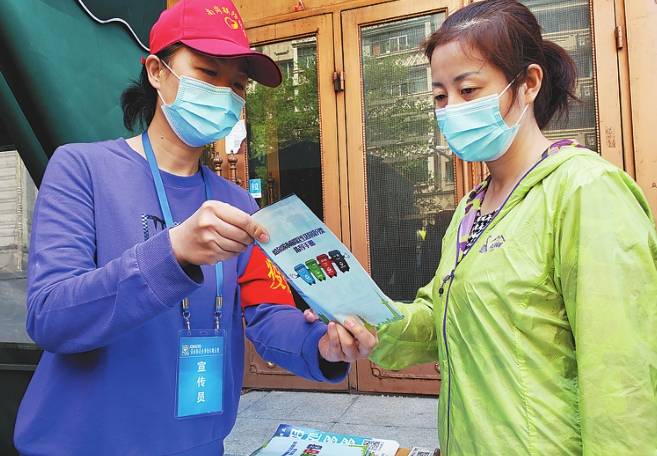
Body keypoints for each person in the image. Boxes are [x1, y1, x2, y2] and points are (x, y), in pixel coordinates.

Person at [13, 0, 377, 454]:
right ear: (156, 71)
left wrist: (322, 345)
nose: (224, 93)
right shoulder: (80, 169)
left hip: (197, 444)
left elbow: (267, 313)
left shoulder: (238, 203)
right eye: (208, 72)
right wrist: (173, 253)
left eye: (237, 84)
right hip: (82, 443)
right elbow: (50, 316)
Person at [367, 1, 657, 454]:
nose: (451, 109)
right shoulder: (469, 208)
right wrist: (367, 322)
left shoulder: (585, 190)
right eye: (440, 96)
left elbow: (621, 375)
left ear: (528, 84)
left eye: (468, 89)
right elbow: (442, 318)